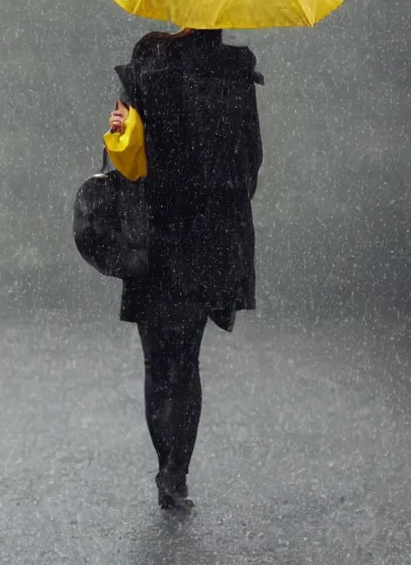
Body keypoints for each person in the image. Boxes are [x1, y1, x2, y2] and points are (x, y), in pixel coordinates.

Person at [105, 27, 262, 511]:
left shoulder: (149, 62)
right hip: (208, 240)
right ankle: (177, 475)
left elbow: (122, 155)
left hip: (153, 232)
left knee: (158, 362)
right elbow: (250, 166)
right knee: (187, 361)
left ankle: (165, 469)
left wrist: (122, 131)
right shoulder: (235, 72)